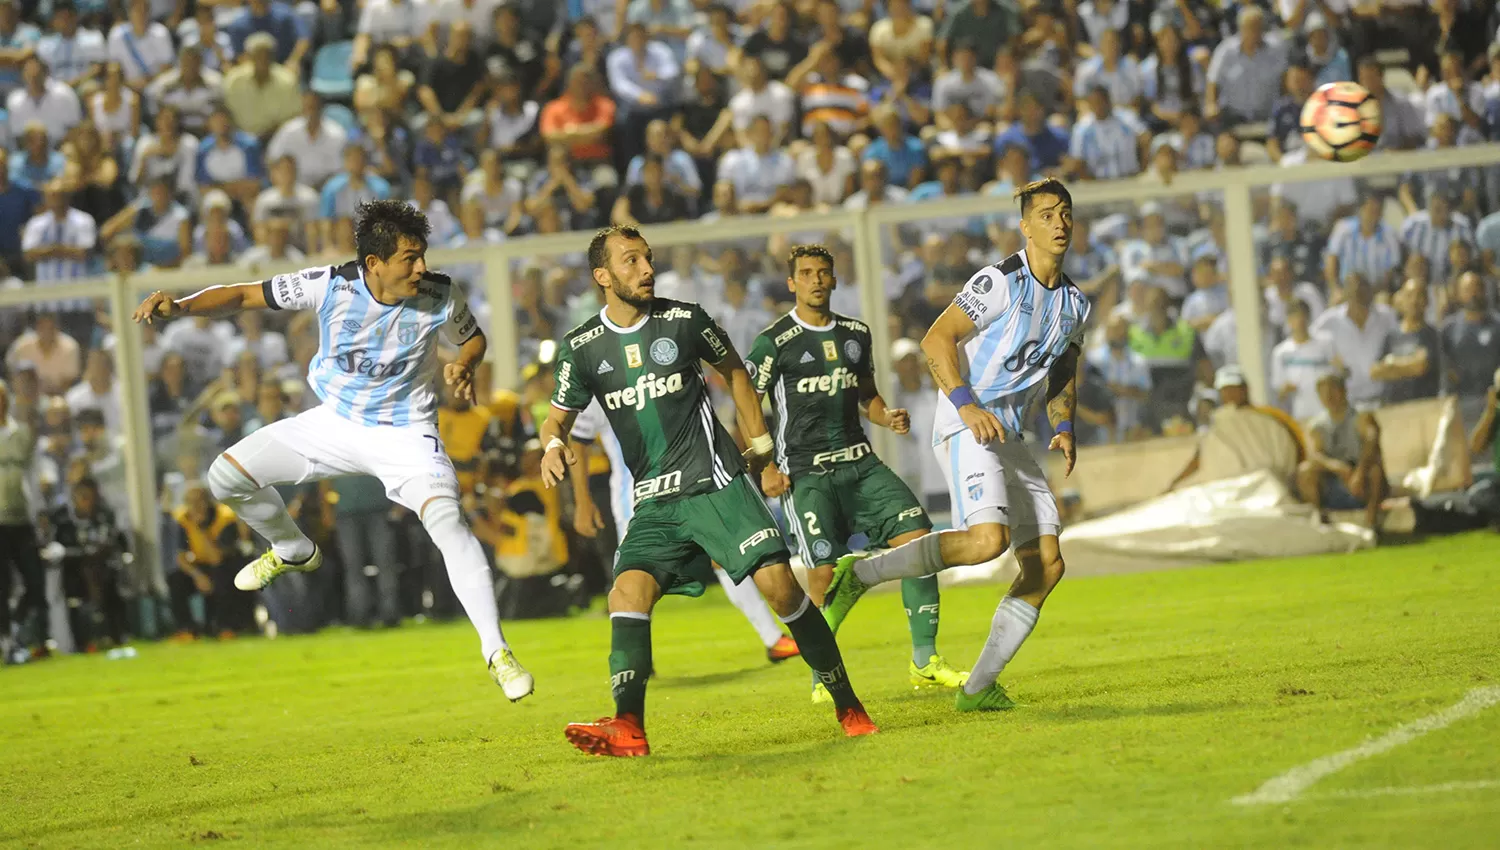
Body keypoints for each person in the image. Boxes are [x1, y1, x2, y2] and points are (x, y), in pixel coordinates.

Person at [131, 200, 533, 701]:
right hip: (334, 422)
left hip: (404, 432)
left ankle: (497, 652)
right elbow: (241, 294)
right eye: (409, 258)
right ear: (374, 264)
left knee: (447, 521)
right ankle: (293, 548)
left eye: (422, 255)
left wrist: (464, 364)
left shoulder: (439, 294)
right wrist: (183, 306)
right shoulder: (329, 285)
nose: (421, 267)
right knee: (224, 477)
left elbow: (472, 339)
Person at [539, 225, 877, 757]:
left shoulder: (685, 320)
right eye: (631, 262)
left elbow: (737, 376)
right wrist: (551, 446)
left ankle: (847, 702)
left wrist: (762, 452)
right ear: (602, 277)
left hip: (717, 484)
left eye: (647, 259)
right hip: (653, 499)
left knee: (781, 590)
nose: (646, 269)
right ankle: (628, 725)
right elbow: (555, 420)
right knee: (625, 595)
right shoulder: (581, 348)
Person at [822, 179, 1091, 713]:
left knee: (1047, 566)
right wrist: (968, 405)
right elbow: (935, 339)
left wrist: (1063, 423)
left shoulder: (1075, 303)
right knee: (986, 541)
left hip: (1010, 435)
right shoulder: (1000, 281)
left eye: (1064, 214)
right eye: (1046, 215)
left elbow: (1063, 367)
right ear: (1026, 227)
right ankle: (864, 572)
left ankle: (977, 687)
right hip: (968, 420)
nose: (1058, 223)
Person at [745, 244, 969, 701]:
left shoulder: (855, 334)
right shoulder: (775, 341)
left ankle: (924, 659)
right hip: (806, 474)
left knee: (921, 543)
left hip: (860, 462)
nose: (815, 280)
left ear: (833, 279)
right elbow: (747, 403)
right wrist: (764, 465)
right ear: (792, 283)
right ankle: (823, 675)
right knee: (823, 577)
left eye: (823, 272)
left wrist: (885, 416)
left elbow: (866, 394)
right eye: (805, 273)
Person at [568, 401, 800, 664]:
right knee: (636, 578)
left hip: (691, 483)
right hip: (637, 497)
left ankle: (772, 638)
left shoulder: (665, 366)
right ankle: (635, 657)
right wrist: (583, 501)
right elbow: (578, 441)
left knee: (723, 554)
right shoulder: (601, 381)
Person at [48, 476, 130, 650]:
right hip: (73, 568)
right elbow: (55, 546)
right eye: (83, 497)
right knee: (84, 578)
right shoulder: (61, 518)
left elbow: (113, 540)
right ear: (74, 497)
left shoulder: (104, 515)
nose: (88, 502)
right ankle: (85, 640)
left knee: (108, 576)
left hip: (102, 566)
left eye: (91, 497)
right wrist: (80, 553)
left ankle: (115, 634)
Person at [1298, 373, 1388, 531]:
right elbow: (1315, 455)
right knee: (1305, 471)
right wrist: (1337, 468)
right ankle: (1318, 522)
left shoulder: (1361, 416)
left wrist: (1359, 472)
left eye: (1333, 391)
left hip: (1361, 476)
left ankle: (1371, 523)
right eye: (1324, 393)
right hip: (1335, 478)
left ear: (1343, 391)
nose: (1329, 397)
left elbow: (1372, 443)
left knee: (1375, 471)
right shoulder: (1317, 425)